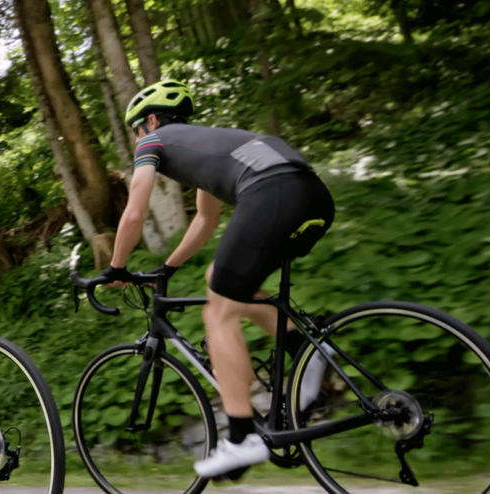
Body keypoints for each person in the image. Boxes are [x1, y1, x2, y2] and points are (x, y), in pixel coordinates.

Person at [102, 80, 337, 479]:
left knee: (218, 314)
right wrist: (170, 267)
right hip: (311, 193)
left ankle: (241, 438)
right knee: (221, 279)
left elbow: (134, 212)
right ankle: (308, 348)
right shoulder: (210, 143)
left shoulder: (153, 142)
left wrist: (116, 267)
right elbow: (206, 220)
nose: (137, 138)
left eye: (136, 129)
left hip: (270, 194)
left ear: (151, 120)